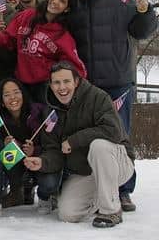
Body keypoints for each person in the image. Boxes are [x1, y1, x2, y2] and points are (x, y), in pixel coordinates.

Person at [69, 0, 157, 210]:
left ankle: (124, 190)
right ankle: (96, 187)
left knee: (120, 138)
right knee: (88, 140)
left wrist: (146, 10)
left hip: (118, 83)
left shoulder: (119, 2)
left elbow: (142, 30)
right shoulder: (74, 8)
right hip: (86, 87)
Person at [24, 61, 135, 228]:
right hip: (85, 173)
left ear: (76, 81)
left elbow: (113, 131)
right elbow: (54, 150)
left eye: (66, 81)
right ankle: (104, 196)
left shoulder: (97, 97)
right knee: (68, 213)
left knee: (99, 146)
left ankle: (111, 210)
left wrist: (74, 140)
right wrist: (42, 162)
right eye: (56, 82)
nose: (62, 87)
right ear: (51, 85)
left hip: (117, 163)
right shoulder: (50, 112)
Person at [0, 0, 87, 103]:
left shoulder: (63, 35)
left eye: (62, 1)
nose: (55, 1)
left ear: (67, 8)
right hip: (21, 82)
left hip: (45, 87)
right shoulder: (27, 16)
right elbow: (8, 40)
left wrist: (80, 89)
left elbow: (74, 66)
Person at [0, 78, 60, 219]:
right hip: (15, 166)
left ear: (23, 94)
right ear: (1, 101)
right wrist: (6, 145)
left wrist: (34, 151)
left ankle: (44, 197)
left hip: (38, 164)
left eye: (16, 92)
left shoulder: (39, 112)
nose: (12, 98)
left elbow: (52, 147)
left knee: (49, 183)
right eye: (6, 95)